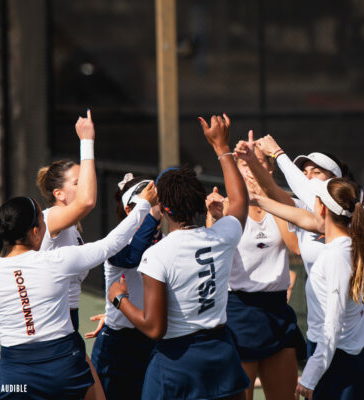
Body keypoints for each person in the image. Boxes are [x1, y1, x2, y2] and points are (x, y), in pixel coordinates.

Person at [107, 114, 250, 400]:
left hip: (177, 366)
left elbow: (154, 327)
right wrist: (221, 146)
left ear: (165, 209)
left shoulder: (156, 256)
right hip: (222, 359)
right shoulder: (223, 235)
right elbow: (240, 200)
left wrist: (119, 299)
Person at [0, 188, 156, 399]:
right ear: (35, 232)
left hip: (15, 376)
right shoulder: (56, 261)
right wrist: (144, 205)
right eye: (43, 220)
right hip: (65, 369)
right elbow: (109, 245)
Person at [247, 135, 364, 400]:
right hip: (338, 351)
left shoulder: (340, 251)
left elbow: (332, 325)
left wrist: (311, 374)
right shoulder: (344, 226)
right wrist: (258, 194)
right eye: (305, 172)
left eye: (317, 173)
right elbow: (289, 204)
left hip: (335, 354)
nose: (308, 179)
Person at [207, 131, 303, 400]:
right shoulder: (225, 208)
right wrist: (213, 219)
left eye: (258, 163)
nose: (250, 170)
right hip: (239, 313)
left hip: (277, 313)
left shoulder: (281, 204)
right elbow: (212, 259)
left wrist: (268, 197)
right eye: (244, 164)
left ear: (269, 169)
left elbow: (295, 246)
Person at [36, 109, 104, 399]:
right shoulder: (50, 219)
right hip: (48, 335)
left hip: (68, 330)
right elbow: (88, 200)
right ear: (59, 194)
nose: (85, 184)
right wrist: (86, 141)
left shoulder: (73, 229)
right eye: (76, 182)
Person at [89, 173, 162, 399]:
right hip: (118, 346)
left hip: (152, 339)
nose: (159, 207)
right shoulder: (118, 242)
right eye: (152, 203)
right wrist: (150, 215)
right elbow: (132, 257)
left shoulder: (166, 240)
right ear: (132, 211)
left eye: (159, 201)